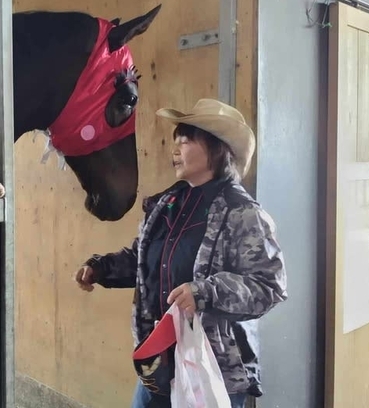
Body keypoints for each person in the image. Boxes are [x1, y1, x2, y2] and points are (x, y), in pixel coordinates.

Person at [74, 98, 288, 408]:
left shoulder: (243, 213)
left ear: (218, 149)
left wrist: (204, 292)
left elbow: (269, 286)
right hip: (160, 363)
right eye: (176, 141)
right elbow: (142, 259)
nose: (175, 150)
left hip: (213, 369)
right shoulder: (166, 204)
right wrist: (101, 268)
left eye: (185, 141)